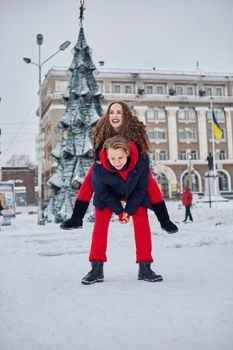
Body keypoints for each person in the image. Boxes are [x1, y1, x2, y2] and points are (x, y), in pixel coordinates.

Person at [61, 101, 178, 234]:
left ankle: (164, 220)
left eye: (118, 112)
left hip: (133, 166)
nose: (114, 115)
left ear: (125, 115)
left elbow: (140, 149)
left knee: (149, 183)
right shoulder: (103, 129)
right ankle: (77, 218)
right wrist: (99, 159)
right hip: (109, 166)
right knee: (91, 177)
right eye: (111, 112)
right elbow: (98, 149)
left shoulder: (134, 130)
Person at [81, 136, 163, 285]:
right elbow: (102, 192)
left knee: (142, 221)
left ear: (127, 152)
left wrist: (129, 211)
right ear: (106, 156)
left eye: (120, 157)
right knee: (99, 225)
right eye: (113, 158)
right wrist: (120, 211)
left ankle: (145, 268)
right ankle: (96, 269)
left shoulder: (141, 162)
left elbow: (141, 189)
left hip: (133, 190)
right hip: (108, 193)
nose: (117, 162)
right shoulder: (98, 167)